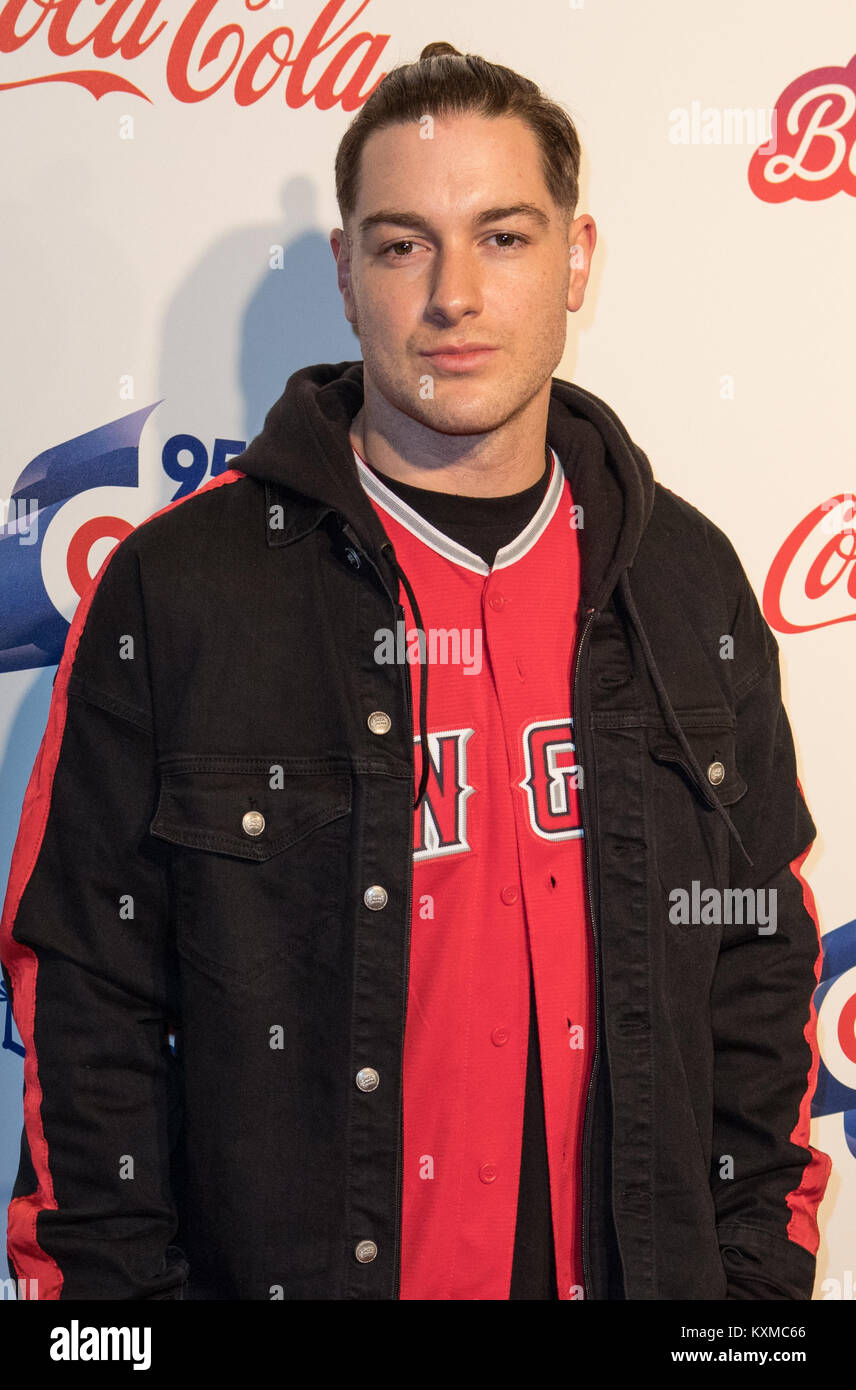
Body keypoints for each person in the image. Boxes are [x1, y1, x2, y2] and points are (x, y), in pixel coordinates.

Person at [0, 41, 831, 1301]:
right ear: (344, 272)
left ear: (579, 260)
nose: (452, 295)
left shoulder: (684, 579)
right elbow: (85, 991)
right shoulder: (184, 592)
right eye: (401, 243)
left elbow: (759, 949)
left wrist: (753, 1298)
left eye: (502, 236)